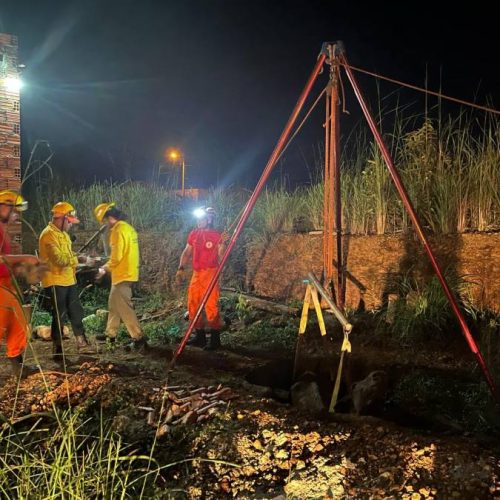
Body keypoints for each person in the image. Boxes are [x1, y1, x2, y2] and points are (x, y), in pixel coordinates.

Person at [39, 202, 93, 361]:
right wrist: (80, 259)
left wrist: (78, 260)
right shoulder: (48, 235)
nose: (70, 224)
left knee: (76, 311)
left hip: (69, 279)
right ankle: (57, 350)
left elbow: (67, 256)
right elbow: (60, 259)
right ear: (60, 218)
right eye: (69, 221)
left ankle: (82, 343)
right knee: (59, 315)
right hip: (55, 280)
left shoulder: (63, 234)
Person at [93, 203, 147, 350]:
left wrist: (103, 268)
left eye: (104, 221)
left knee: (124, 308)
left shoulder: (117, 231)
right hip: (126, 272)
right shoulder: (128, 228)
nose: (105, 225)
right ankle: (110, 333)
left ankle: (138, 338)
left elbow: (116, 257)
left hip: (123, 274)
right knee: (113, 305)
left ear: (110, 218)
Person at [0, 190, 40, 377]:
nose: (16, 216)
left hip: (7, 283)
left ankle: (19, 367)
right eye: (14, 211)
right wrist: (27, 257)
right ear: (3, 207)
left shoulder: (3, 230)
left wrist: (20, 269)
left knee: (18, 322)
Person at [176, 207, 224, 350]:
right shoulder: (194, 234)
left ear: (209, 220)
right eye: (197, 219)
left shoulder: (217, 236)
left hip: (211, 273)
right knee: (192, 304)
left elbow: (222, 258)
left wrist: (224, 244)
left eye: (201, 218)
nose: (198, 221)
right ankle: (200, 337)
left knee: (211, 306)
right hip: (197, 274)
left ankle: (215, 341)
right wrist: (180, 268)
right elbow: (186, 252)